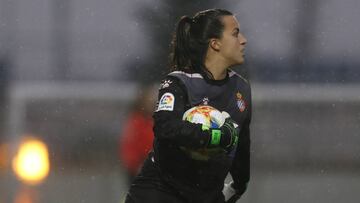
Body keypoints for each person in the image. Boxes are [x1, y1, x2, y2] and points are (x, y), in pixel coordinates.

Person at [125, 8, 251, 203]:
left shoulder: (241, 88)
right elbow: (166, 128)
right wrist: (214, 136)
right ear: (215, 43)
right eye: (235, 34)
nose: (243, 40)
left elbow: (241, 143)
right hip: (160, 192)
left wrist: (239, 184)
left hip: (206, 196)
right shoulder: (178, 82)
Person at [119, 84, 157, 185]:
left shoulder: (154, 120)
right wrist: (136, 164)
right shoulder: (137, 122)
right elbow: (130, 146)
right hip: (140, 168)